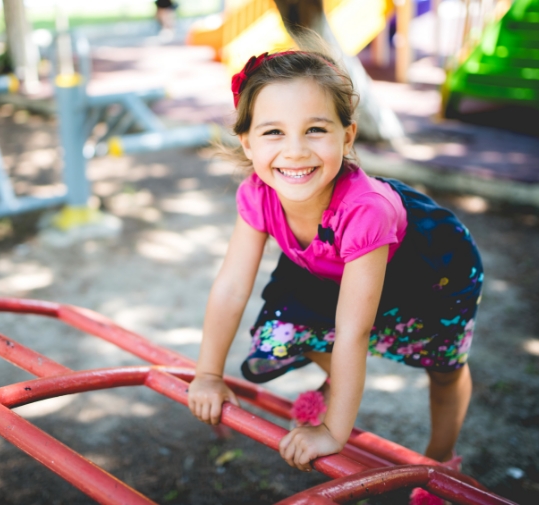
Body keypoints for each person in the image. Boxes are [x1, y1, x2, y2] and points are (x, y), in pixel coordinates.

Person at [187, 47, 483, 500]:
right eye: (273, 132)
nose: (295, 151)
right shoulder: (258, 194)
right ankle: (335, 383)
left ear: (347, 137)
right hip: (332, 268)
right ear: (247, 142)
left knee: (442, 368)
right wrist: (207, 373)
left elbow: (353, 328)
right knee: (280, 335)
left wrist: (332, 430)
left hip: (433, 276)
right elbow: (230, 287)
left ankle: (441, 464)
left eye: (315, 130)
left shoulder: (366, 210)